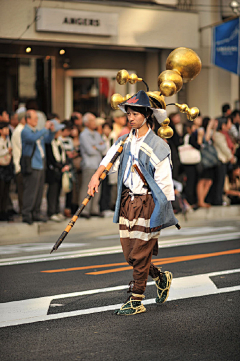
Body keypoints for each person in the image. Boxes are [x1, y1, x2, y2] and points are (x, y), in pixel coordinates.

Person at [87, 90, 179, 315]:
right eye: (128, 113)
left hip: (148, 203)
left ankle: (136, 299)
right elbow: (107, 161)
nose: (130, 117)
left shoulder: (159, 146)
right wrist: (94, 178)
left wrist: (161, 212)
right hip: (128, 202)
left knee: (139, 254)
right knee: (131, 254)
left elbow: (165, 184)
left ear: (147, 116)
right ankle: (160, 277)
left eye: (135, 113)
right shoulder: (124, 140)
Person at [21, 110, 54, 224]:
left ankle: (36, 213)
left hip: (40, 164)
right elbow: (32, 139)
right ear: (28, 119)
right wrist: (45, 129)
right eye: (34, 118)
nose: (36, 120)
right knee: (31, 191)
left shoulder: (36, 131)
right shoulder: (25, 131)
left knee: (39, 191)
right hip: (32, 165)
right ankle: (27, 214)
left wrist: (51, 131)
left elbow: (48, 140)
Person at [79, 112, 106, 219]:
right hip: (89, 164)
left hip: (98, 164)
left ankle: (94, 209)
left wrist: (96, 147)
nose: (94, 123)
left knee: (98, 188)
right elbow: (90, 150)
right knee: (87, 187)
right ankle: (84, 210)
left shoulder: (97, 134)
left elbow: (103, 146)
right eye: (92, 121)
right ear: (86, 123)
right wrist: (96, 147)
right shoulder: (84, 135)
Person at [45, 120, 69, 222]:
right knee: (52, 191)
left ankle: (57, 210)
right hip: (52, 171)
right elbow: (50, 157)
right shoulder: (48, 142)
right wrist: (58, 166)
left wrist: (64, 165)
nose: (58, 133)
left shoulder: (59, 142)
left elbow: (63, 155)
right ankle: (51, 211)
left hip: (60, 170)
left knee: (59, 191)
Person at [11, 112, 26, 214]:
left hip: (23, 164)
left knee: (25, 190)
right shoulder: (19, 131)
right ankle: (22, 211)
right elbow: (23, 147)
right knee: (22, 190)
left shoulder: (23, 130)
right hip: (20, 164)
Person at [0, 122, 14, 221]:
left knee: (6, 191)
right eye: (5, 129)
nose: (7, 130)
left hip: (7, 167)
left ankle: (4, 211)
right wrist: (7, 151)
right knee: (1, 191)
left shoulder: (8, 140)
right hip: (1, 168)